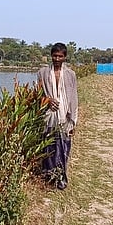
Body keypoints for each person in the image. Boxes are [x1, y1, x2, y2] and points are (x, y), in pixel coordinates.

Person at [37, 42, 78, 190]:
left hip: (64, 116)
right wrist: (48, 100)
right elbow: (39, 94)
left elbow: (73, 97)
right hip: (49, 116)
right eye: (54, 56)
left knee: (63, 147)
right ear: (51, 56)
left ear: (65, 57)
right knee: (48, 147)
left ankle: (60, 178)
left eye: (60, 56)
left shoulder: (70, 75)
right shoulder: (42, 73)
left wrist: (73, 121)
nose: (57, 58)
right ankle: (48, 178)